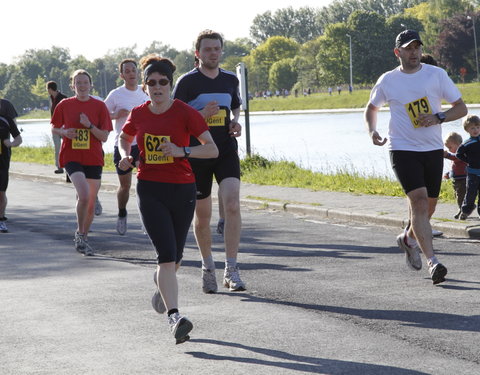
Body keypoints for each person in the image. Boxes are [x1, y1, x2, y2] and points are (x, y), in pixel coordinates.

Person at [118, 55, 218, 344]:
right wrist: (126, 155)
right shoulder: (138, 113)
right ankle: (175, 318)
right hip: (150, 189)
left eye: (163, 82)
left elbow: (210, 150)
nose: (157, 87)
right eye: (151, 82)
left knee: (175, 260)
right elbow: (125, 138)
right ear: (145, 86)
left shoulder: (186, 113)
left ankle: (163, 286)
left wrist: (181, 151)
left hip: (182, 189)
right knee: (166, 256)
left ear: (170, 84)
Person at [364, 29, 467, 285]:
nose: (414, 52)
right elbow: (372, 107)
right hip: (402, 149)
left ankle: (409, 239)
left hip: (431, 150)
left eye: (417, 48)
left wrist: (438, 117)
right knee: (419, 201)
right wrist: (372, 131)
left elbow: (461, 107)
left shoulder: (436, 75)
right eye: (408, 48)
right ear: (397, 52)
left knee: (429, 207)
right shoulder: (388, 80)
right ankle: (434, 262)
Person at [173, 29, 245, 294]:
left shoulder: (229, 79)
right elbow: (176, 119)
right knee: (202, 218)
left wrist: (235, 123)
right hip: (199, 153)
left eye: (216, 49)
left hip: (225, 150)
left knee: (233, 204)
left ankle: (232, 268)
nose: (213, 53)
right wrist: (201, 114)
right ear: (197, 53)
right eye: (207, 49)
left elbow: (235, 106)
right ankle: (207, 267)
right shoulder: (187, 83)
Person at [51, 69, 112, 255]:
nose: (82, 86)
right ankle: (79, 232)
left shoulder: (99, 106)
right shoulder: (64, 105)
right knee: (84, 195)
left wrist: (90, 126)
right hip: (71, 156)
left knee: (90, 202)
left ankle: (84, 237)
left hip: (93, 157)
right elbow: (54, 126)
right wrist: (64, 132)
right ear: (72, 86)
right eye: (78, 83)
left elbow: (104, 136)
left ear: (91, 85)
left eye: (85, 82)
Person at [105, 59, 148, 235]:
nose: (131, 74)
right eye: (127, 71)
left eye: (133, 70)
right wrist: (116, 114)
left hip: (143, 144)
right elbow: (102, 115)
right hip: (123, 144)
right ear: (122, 75)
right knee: (125, 185)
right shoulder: (116, 94)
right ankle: (122, 213)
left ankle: (146, 219)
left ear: (138, 73)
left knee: (144, 183)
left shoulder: (145, 91)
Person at [0, 99, 22, 233]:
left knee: (1, 193)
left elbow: (19, 139)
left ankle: (1, 220)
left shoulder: (6, 120)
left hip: (2, 161)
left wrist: (11, 144)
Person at [456, 115, 480, 220]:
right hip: (473, 173)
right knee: (471, 193)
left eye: (478, 127)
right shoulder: (466, 143)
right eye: (472, 128)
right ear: (467, 130)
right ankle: (465, 211)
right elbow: (458, 154)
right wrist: (469, 161)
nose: (476, 130)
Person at [443, 132, 467, 219]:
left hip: (463, 178)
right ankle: (465, 208)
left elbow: (455, 158)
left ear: (458, 145)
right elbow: (455, 165)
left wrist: (447, 155)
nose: (449, 150)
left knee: (461, 195)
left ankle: (463, 210)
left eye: (450, 147)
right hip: (456, 179)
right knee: (457, 195)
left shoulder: (462, 153)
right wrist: (449, 173)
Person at [46, 81, 67, 174]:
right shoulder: (50, 98)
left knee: (67, 147)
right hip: (54, 126)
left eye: (47, 89)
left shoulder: (64, 98)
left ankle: (68, 166)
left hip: (64, 126)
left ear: (50, 89)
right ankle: (59, 167)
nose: (47, 91)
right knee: (57, 148)